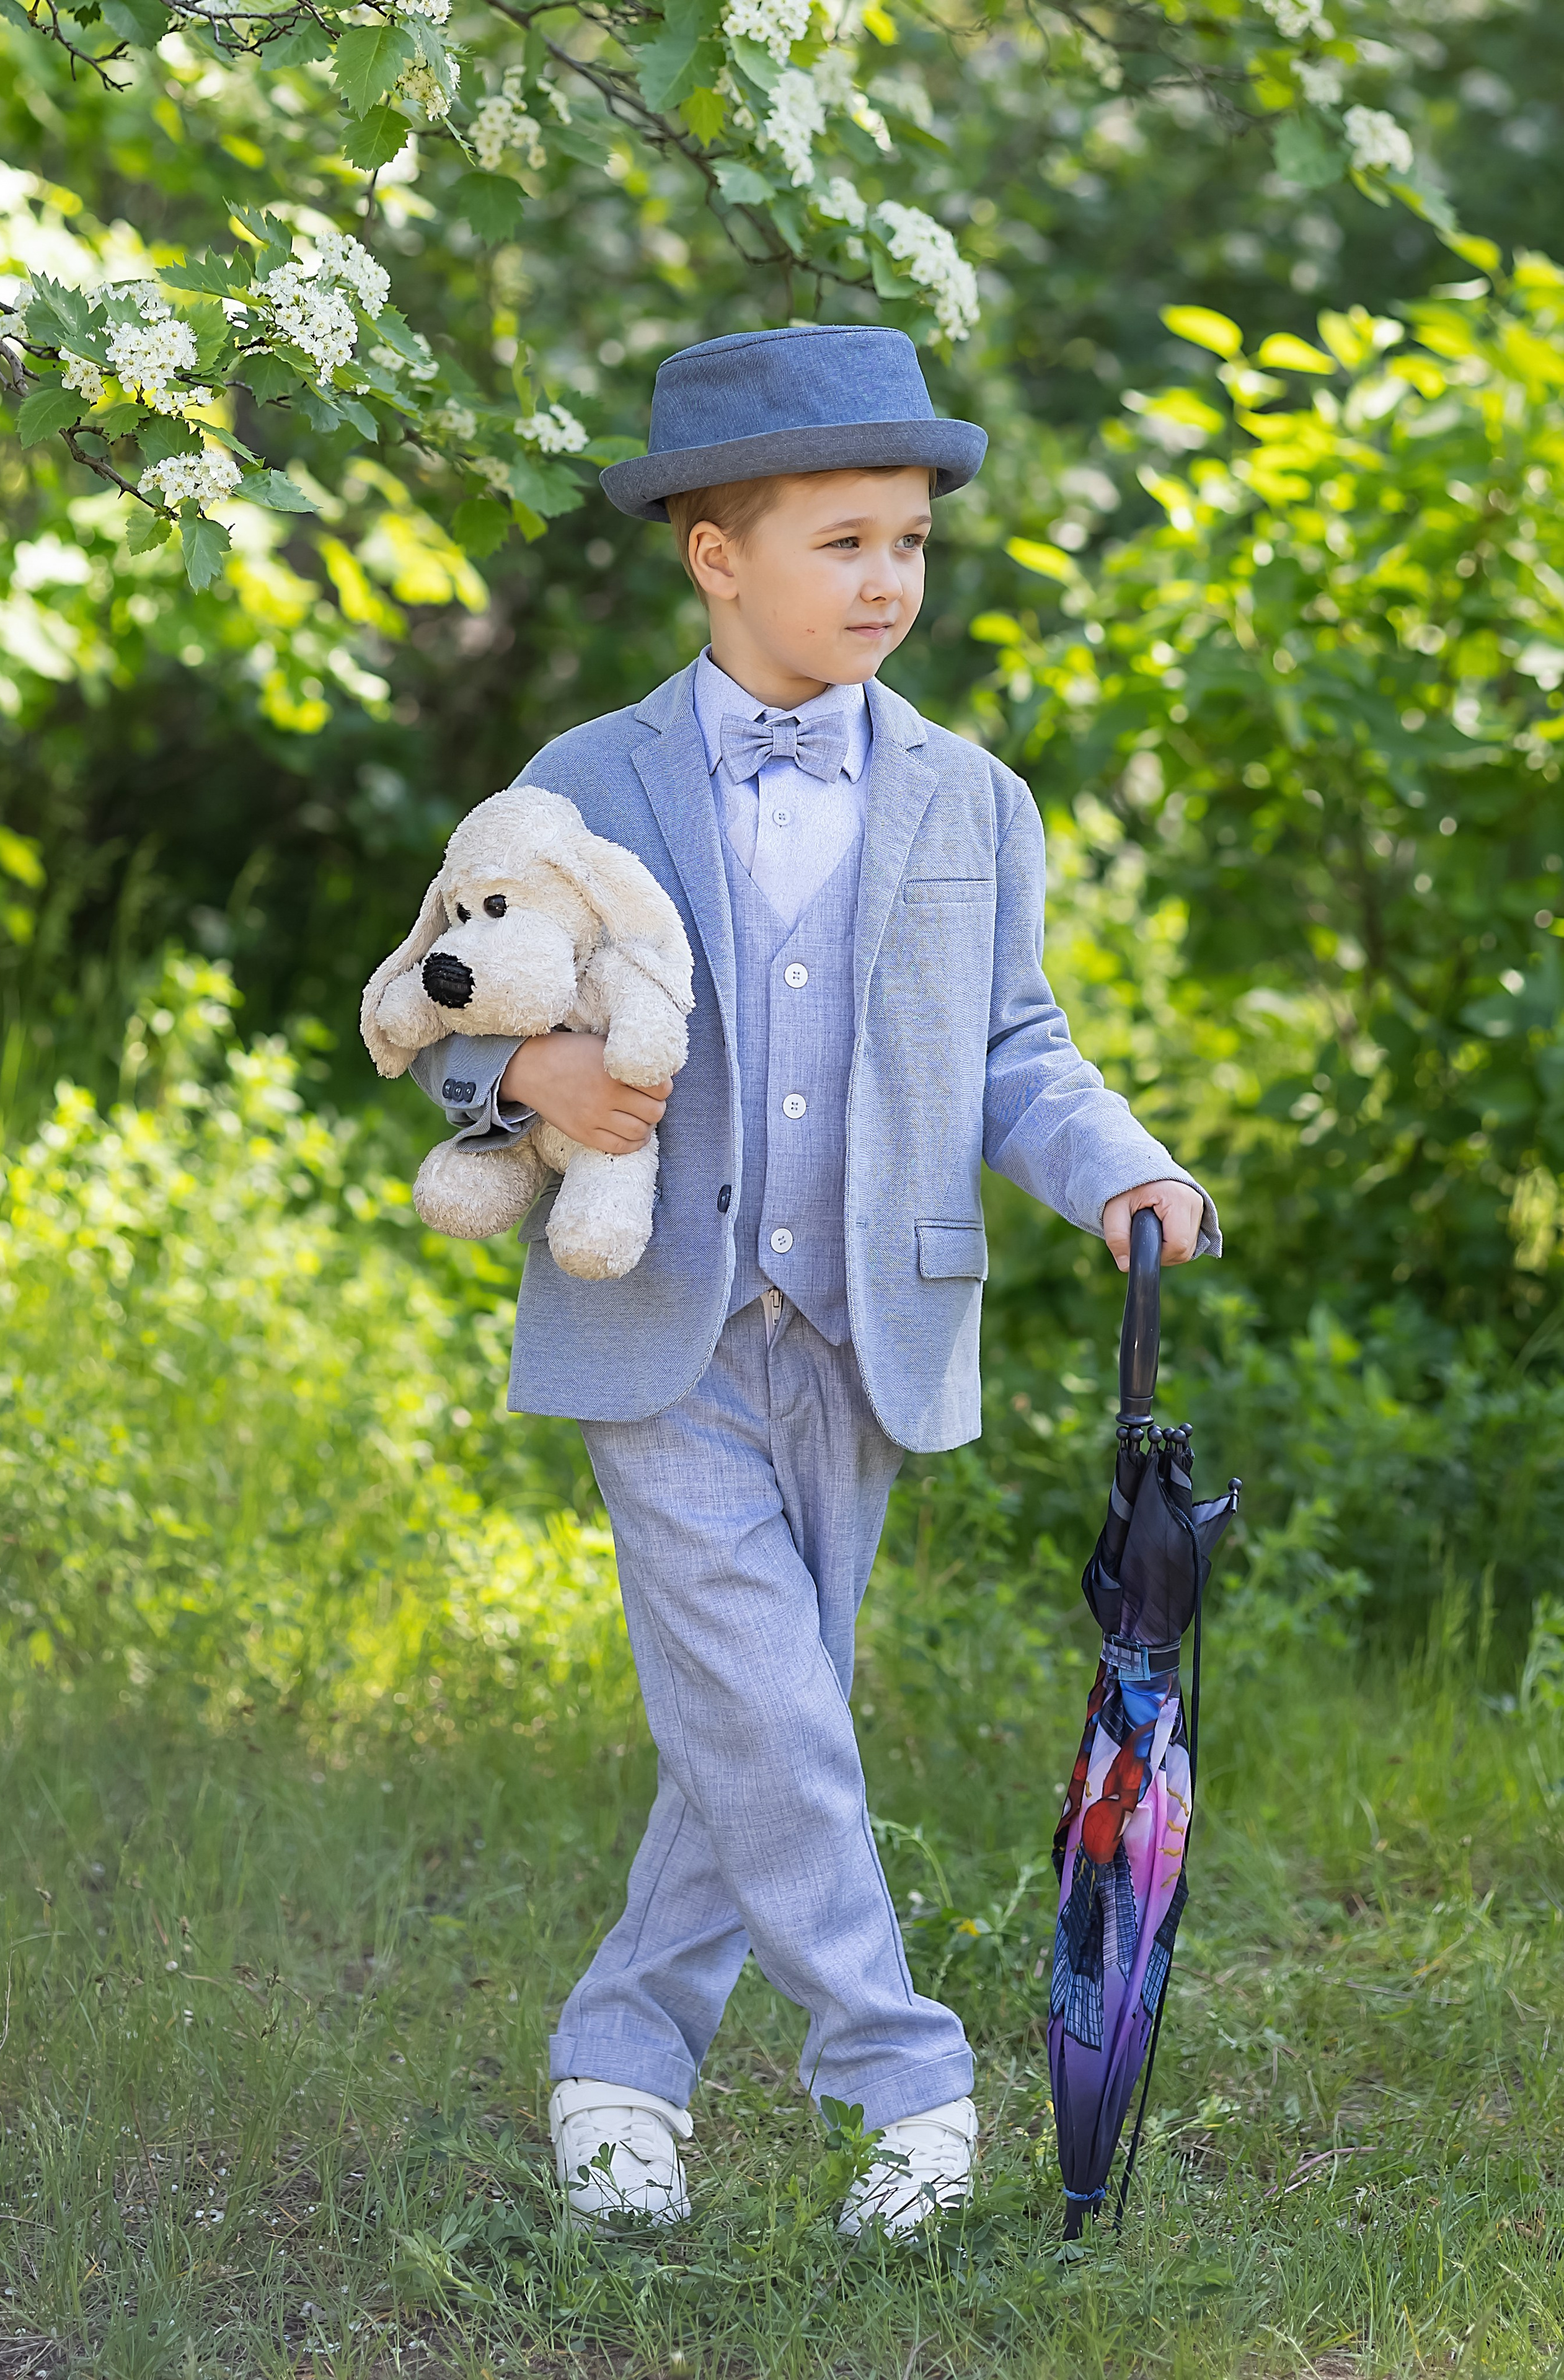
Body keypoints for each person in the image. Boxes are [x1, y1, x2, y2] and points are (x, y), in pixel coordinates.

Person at [408, 325, 1218, 2235]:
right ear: (717, 555)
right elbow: (443, 1002)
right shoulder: (580, 780)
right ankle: (904, 2076)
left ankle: (621, 2061)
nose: (886, 580)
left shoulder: (973, 799)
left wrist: (1119, 1168)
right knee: (770, 1703)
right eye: (843, 542)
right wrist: (525, 1080)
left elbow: (1015, 1047)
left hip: (868, 1323)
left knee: (752, 1718)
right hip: (652, 1309)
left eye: (909, 542)